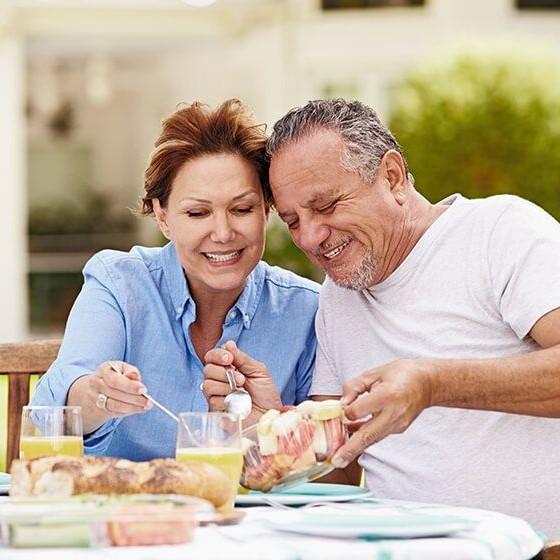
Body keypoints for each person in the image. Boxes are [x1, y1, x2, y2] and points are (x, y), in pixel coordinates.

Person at [265, 98, 560, 536]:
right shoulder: (337, 298)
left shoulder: (499, 231)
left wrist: (432, 383)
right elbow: (340, 472)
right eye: (292, 221)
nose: (310, 237)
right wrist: (273, 432)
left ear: (392, 177)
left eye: (326, 207)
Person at [32, 99, 319, 461]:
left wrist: (269, 427)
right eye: (198, 212)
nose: (223, 232)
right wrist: (99, 395)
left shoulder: (305, 308)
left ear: (267, 208)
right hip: (126, 509)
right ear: (162, 216)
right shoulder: (119, 284)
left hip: (251, 517)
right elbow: (52, 414)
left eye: (242, 209)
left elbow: (325, 467)